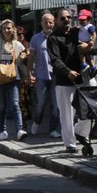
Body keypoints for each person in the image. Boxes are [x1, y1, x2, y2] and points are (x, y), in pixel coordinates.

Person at [48, 11, 85, 152]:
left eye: (69, 17)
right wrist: (67, 71)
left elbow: (86, 47)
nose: (66, 20)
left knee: (89, 110)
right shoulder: (53, 38)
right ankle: (70, 144)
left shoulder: (76, 33)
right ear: (57, 21)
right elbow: (55, 60)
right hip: (64, 80)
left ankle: (80, 132)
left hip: (82, 78)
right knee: (67, 114)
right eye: (62, 18)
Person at [0, 20, 28, 141]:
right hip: (0, 78)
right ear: (1, 30)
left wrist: (25, 56)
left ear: (13, 29)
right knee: (2, 106)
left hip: (14, 78)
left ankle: (20, 130)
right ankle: (3, 130)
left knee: (15, 104)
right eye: (4, 28)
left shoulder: (18, 44)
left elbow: (24, 58)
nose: (7, 30)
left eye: (9, 28)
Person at [27, 12, 58, 140]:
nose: (48, 24)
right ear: (41, 23)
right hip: (41, 75)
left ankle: (53, 129)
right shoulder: (36, 38)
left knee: (55, 104)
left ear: (54, 23)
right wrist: (30, 72)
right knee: (41, 102)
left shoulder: (57, 37)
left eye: (50, 22)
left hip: (55, 75)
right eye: (46, 22)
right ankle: (37, 122)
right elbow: (31, 56)